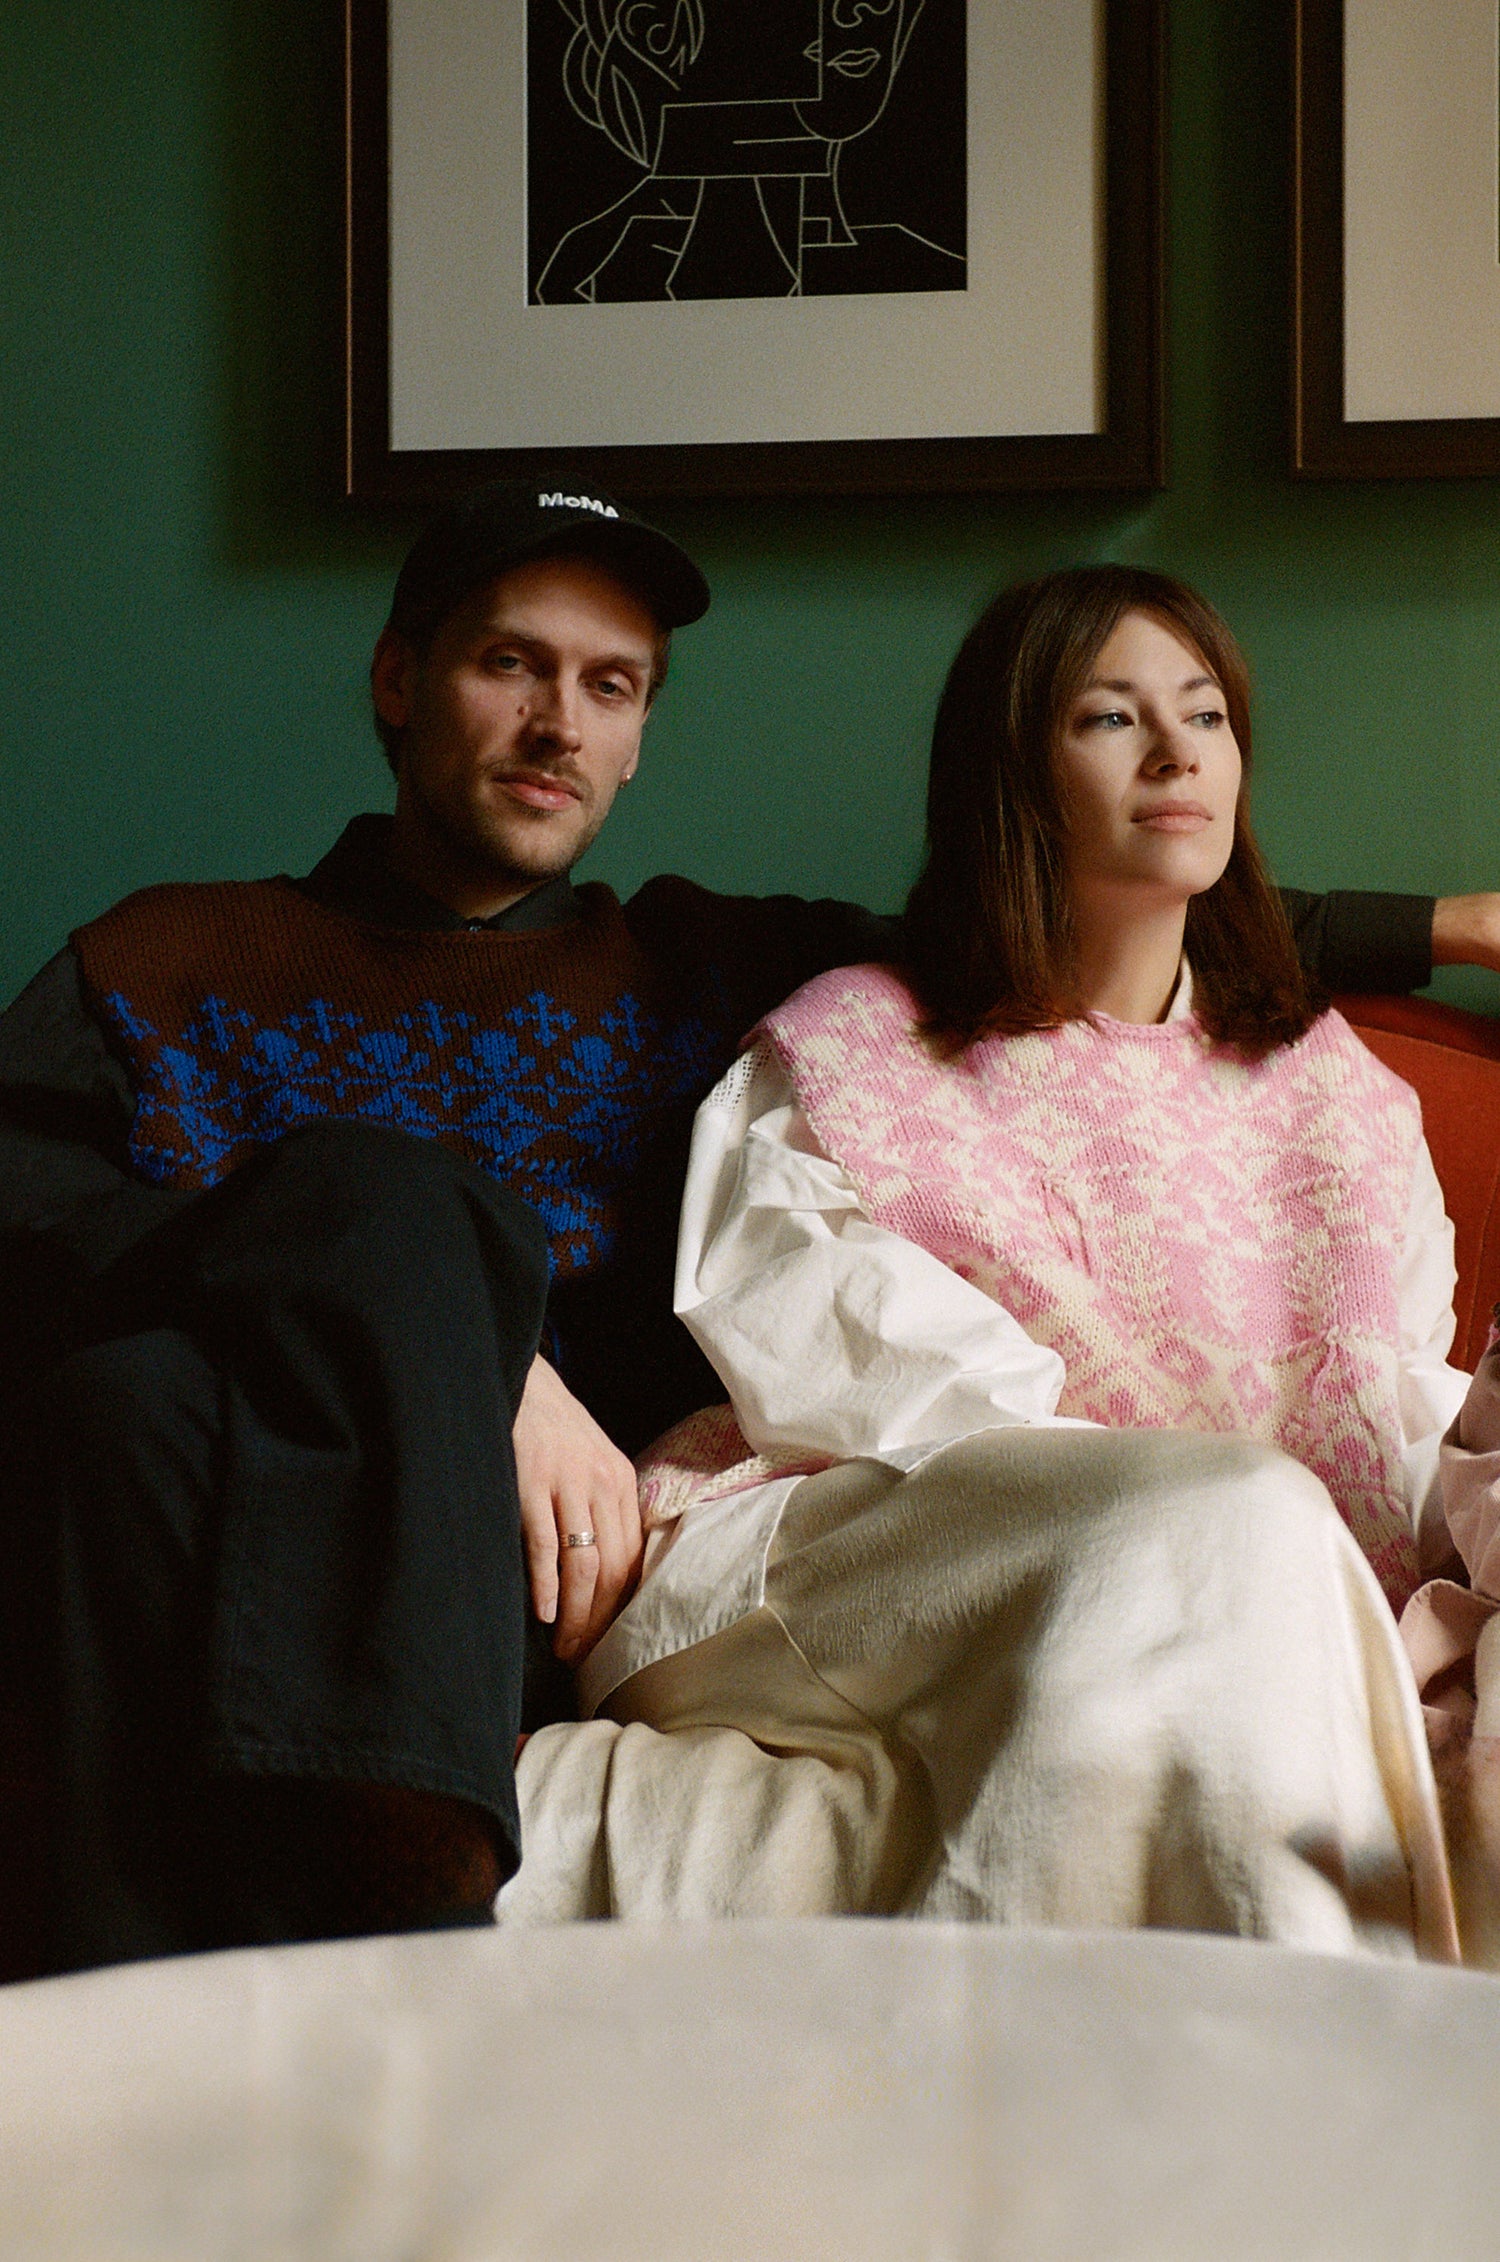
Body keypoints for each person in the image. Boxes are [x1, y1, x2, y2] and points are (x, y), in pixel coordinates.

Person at [0, 490, 1490, 1978]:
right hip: (294, 1500)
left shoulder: (699, 962)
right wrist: (465, 1358)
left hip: (552, 1582)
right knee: (171, 1363)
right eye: (511, 664)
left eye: (609, 686)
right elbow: (28, 1218)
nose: (558, 724)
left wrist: (1441, 926)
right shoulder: (168, 956)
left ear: (640, 735)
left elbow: (1092, 890)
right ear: (399, 679)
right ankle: (290, 1969)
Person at [498, 565, 1475, 1959]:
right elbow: (870, 1389)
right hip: (849, 1539)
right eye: (1111, 717)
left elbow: (1395, 1402)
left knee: (1241, 1536)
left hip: (1239, 1567)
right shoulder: (852, 1046)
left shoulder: (1337, 1092)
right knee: (1230, 1521)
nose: (1177, 751)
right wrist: (1212, 1519)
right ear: (1017, 773)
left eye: (1205, 714)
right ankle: (1317, 2049)